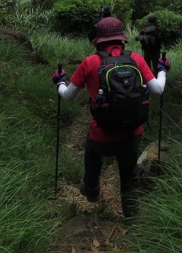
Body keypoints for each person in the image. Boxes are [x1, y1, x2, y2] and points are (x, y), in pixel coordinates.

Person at [56, 16, 169, 220]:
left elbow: (66, 96)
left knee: (92, 153)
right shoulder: (136, 59)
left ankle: (91, 190)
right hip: (132, 135)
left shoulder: (90, 63)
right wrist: (162, 70)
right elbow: (158, 90)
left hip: (101, 135)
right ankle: (132, 218)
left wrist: (59, 82)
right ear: (121, 38)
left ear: (97, 39)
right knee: (129, 175)